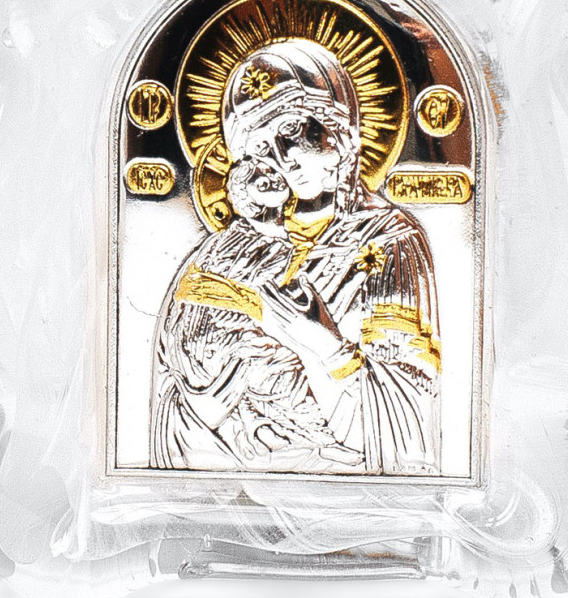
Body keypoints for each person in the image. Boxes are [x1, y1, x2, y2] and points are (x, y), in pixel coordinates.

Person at [151, 39, 441, 475]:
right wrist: (206, 407)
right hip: (223, 493)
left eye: (291, 129)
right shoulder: (214, 256)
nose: (282, 159)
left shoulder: (389, 243)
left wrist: (322, 343)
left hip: (352, 497)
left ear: (340, 127)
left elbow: (408, 420)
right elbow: (167, 396)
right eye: (259, 148)